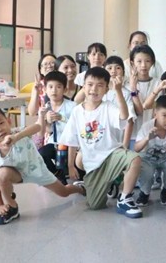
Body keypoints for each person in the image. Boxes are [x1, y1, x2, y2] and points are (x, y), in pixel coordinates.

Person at [58, 67, 143, 218]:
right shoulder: (77, 111)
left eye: (100, 85)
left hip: (111, 155)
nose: (94, 89)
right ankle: (88, 187)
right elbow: (71, 140)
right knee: (95, 205)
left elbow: (124, 116)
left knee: (134, 159)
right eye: (90, 84)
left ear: (106, 89)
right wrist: (70, 165)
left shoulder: (108, 107)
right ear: (83, 86)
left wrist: (118, 91)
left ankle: (124, 198)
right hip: (92, 165)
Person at [0, 106, 84, 225]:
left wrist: (17, 137)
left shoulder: (19, 132)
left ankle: (80, 188)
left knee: (63, 192)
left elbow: (38, 127)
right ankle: (12, 207)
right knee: (1, 174)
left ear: (9, 121)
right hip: (18, 175)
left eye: (1, 123)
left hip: (38, 171)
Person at [135, 95, 166, 207]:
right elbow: (137, 148)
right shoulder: (147, 127)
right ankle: (144, 193)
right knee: (147, 171)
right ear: (155, 113)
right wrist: (147, 138)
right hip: (148, 158)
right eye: (164, 115)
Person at [37, 70, 77, 185]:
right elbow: (41, 133)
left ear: (64, 89)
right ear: (45, 89)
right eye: (50, 87)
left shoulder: (72, 106)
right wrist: (44, 118)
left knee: (67, 163)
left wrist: (62, 118)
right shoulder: (45, 108)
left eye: (58, 87)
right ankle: (58, 175)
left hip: (70, 145)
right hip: (54, 143)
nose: (54, 90)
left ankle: (64, 174)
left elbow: (77, 128)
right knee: (41, 154)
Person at [127, 45, 159, 147]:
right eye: (139, 61)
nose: (143, 65)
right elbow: (137, 111)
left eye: (147, 61)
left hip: (153, 134)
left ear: (152, 62)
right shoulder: (127, 85)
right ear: (132, 63)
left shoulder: (158, 83)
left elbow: (156, 107)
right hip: (133, 135)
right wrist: (133, 88)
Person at [102, 56, 136, 147]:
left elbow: (130, 120)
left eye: (117, 68)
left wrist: (125, 145)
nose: (113, 71)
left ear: (123, 72)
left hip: (118, 141)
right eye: (109, 68)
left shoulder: (126, 93)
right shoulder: (100, 92)